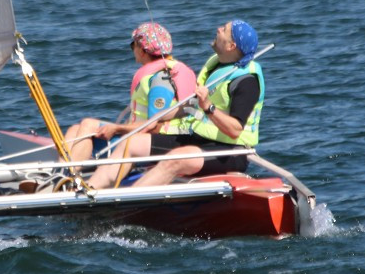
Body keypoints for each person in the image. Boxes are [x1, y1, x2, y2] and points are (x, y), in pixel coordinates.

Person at [85, 19, 264, 190]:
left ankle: (121, 203)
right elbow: (189, 107)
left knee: (175, 159)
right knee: (131, 143)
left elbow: (235, 130)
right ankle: (88, 191)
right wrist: (157, 118)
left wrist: (208, 107)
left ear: (231, 46)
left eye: (224, 30)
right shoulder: (216, 68)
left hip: (231, 152)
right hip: (199, 139)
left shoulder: (246, 81)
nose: (218, 29)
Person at [62, 22, 196, 165]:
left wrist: (118, 128)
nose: (132, 50)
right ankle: (62, 175)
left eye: (133, 45)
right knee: (75, 130)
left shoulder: (161, 81)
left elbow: (155, 127)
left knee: (88, 124)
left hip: (150, 147)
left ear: (143, 51)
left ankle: (71, 178)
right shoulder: (155, 75)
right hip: (138, 136)